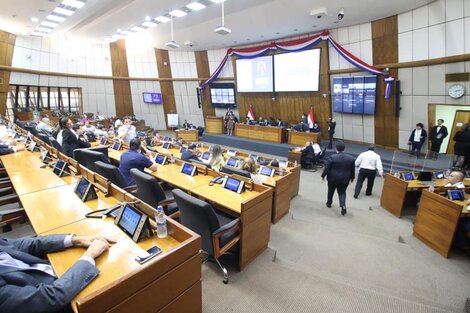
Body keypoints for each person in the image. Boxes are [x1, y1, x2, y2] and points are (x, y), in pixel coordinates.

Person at [0, 234, 114, 312]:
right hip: (62, 302)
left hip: (58, 275)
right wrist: (89, 257)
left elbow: (26, 244)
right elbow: (49, 298)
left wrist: (75, 240)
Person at [321, 142, 355, 216]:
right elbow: (352, 170)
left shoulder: (332, 157)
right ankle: (343, 205)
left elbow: (327, 168)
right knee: (342, 192)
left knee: (331, 190)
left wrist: (323, 175)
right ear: (344, 149)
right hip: (345, 179)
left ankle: (329, 203)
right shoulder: (351, 158)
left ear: (336, 149)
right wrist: (352, 177)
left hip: (332, 178)